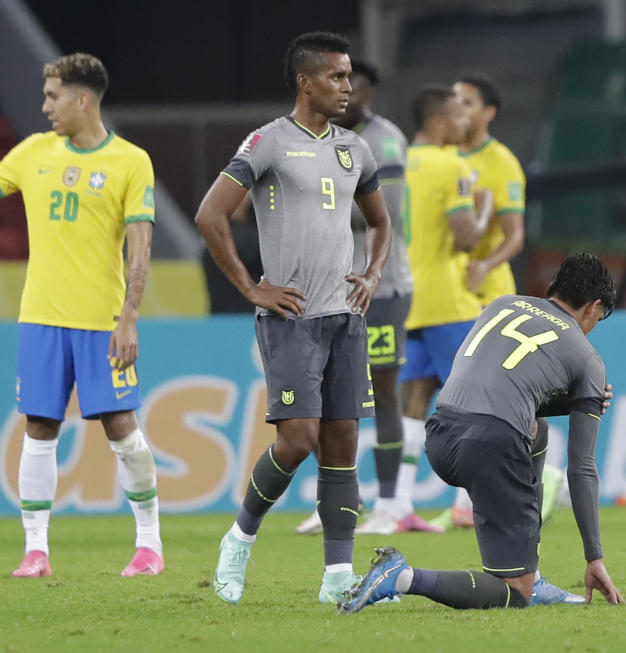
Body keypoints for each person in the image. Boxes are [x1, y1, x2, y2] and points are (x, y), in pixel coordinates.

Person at [0, 53, 164, 578]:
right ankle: (36, 551)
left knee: (122, 429)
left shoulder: (130, 161)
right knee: (39, 426)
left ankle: (149, 545)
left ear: (82, 99)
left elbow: (140, 246)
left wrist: (129, 317)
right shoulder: (33, 153)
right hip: (40, 317)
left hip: (101, 321)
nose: (44, 107)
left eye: (52, 96)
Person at [195, 32, 391, 606]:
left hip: (345, 317)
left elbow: (380, 222)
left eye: (349, 76)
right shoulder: (268, 143)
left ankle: (336, 579)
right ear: (306, 82)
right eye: (336, 77)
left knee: (343, 442)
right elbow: (212, 215)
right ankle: (239, 539)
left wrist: (373, 273)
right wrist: (250, 287)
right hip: (293, 318)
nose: (347, 87)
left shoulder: (356, 148)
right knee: (298, 439)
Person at [340, 252, 625, 612]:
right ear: (593, 306)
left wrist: (569, 403)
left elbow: (497, 381)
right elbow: (582, 467)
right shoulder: (587, 358)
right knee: (514, 594)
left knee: (538, 431)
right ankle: (403, 576)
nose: (593, 325)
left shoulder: (502, 304)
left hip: (441, 434)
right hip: (491, 447)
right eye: (598, 317)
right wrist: (594, 557)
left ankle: (530, 571)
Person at [295, 59, 414, 537]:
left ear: (368, 92)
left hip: (379, 286)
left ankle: (388, 505)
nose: (346, 92)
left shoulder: (383, 141)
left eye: (355, 84)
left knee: (384, 393)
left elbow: (388, 215)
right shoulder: (315, 140)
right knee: (324, 398)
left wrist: (315, 212)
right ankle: (337, 500)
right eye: (339, 82)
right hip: (325, 289)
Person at [390, 84, 492, 532]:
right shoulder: (453, 166)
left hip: (406, 299)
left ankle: (399, 503)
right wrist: (484, 209)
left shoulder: (396, 162)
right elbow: (466, 237)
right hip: (447, 302)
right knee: (475, 399)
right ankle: (468, 502)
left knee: (415, 400)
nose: (463, 123)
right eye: (456, 116)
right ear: (436, 122)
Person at [435, 71, 532, 529]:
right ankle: (473, 497)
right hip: (446, 295)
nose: (461, 108)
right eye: (455, 100)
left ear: (488, 112)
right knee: (449, 396)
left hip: (491, 295)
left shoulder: (502, 163)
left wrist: (486, 265)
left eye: (468, 101)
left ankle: (533, 477)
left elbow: (515, 237)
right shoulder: (443, 157)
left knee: (497, 399)